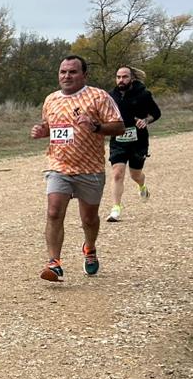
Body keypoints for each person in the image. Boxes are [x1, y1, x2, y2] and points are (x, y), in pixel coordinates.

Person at [31, 54, 125, 282]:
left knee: (89, 218)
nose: (67, 76)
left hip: (90, 168)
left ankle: (89, 248)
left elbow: (119, 127)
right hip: (58, 166)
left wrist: (96, 127)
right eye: (63, 72)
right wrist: (43, 131)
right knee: (54, 211)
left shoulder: (98, 97)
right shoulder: (51, 99)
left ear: (84, 75)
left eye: (72, 72)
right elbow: (51, 126)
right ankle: (54, 263)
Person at [106, 65, 161, 222]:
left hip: (138, 141)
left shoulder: (143, 94)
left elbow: (156, 113)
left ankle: (142, 185)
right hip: (118, 140)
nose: (121, 80)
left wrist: (146, 121)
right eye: (118, 77)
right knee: (117, 173)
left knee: (135, 175)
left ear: (132, 78)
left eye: (125, 77)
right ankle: (116, 209)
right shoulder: (110, 96)